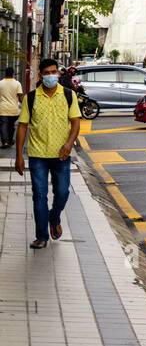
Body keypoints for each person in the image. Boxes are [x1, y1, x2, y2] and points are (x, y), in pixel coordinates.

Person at [15, 56, 81, 249]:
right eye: (47, 73)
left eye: (54, 72)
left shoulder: (69, 95)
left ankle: (54, 216)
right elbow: (22, 127)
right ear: (40, 75)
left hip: (61, 155)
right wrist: (19, 155)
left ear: (59, 73)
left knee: (62, 193)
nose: (51, 76)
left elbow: (76, 122)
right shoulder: (31, 98)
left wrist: (69, 144)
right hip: (37, 155)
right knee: (39, 195)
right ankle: (41, 236)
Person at [0, 65, 23, 148]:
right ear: (13, 74)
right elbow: (20, 96)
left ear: (5, 73)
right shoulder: (17, 83)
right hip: (14, 109)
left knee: (3, 125)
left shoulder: (0, 83)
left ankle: (5, 142)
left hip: (3, 109)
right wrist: (24, 106)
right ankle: (9, 140)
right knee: (11, 125)